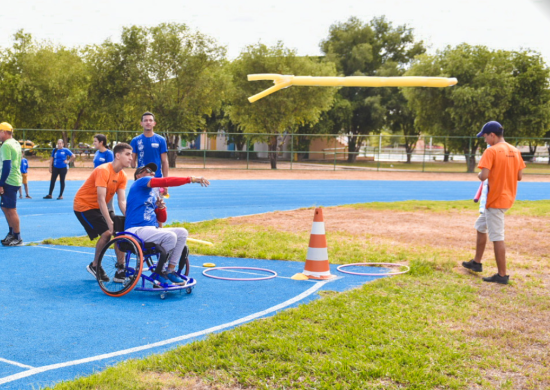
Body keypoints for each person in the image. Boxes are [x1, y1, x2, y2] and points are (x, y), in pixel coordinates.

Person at [462, 121, 526, 285]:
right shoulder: (515, 150)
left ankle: (502, 275)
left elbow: (483, 176)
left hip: (495, 199)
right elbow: (519, 176)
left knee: (497, 237)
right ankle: (476, 263)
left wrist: (478, 175)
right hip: (507, 197)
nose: (485, 140)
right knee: (480, 226)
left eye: (485, 137)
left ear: (492, 135)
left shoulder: (491, 151)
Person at [125, 162, 209, 285]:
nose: (152, 173)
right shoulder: (139, 182)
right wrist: (191, 179)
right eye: (147, 170)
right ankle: (160, 271)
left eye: (153, 172)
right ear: (138, 175)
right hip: (135, 230)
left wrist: (161, 208)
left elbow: (162, 219)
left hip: (149, 230)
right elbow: (165, 181)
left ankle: (170, 270)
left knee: (182, 232)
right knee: (170, 236)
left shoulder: (152, 195)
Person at [73, 142, 133, 282]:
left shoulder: (123, 176)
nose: (131, 157)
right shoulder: (103, 170)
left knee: (119, 232)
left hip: (100, 206)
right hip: (84, 206)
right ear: (117, 155)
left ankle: (120, 269)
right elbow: (101, 199)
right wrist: (110, 221)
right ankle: (95, 265)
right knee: (107, 232)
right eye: (127, 154)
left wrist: (130, 218)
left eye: (131, 154)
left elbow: (122, 201)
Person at [0, 122, 24, 246]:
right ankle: (11, 233)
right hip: (14, 179)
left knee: (11, 210)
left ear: (4, 132)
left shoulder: (6, 145)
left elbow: (7, 166)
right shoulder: (15, 143)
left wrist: (1, 183)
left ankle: (17, 236)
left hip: (9, 180)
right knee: (5, 207)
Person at [130, 112, 169, 178]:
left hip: (157, 177)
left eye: (150, 120)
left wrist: (165, 180)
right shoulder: (135, 140)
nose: (148, 122)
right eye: (145, 120)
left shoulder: (161, 140)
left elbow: (164, 161)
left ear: (154, 123)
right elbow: (132, 162)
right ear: (141, 123)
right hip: (141, 178)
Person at [93, 134, 115, 214]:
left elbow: (111, 169)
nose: (93, 143)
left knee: (108, 206)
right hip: (97, 182)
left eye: (95, 141)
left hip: (106, 183)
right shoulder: (97, 153)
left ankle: (113, 223)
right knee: (98, 204)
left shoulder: (109, 154)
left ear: (101, 142)